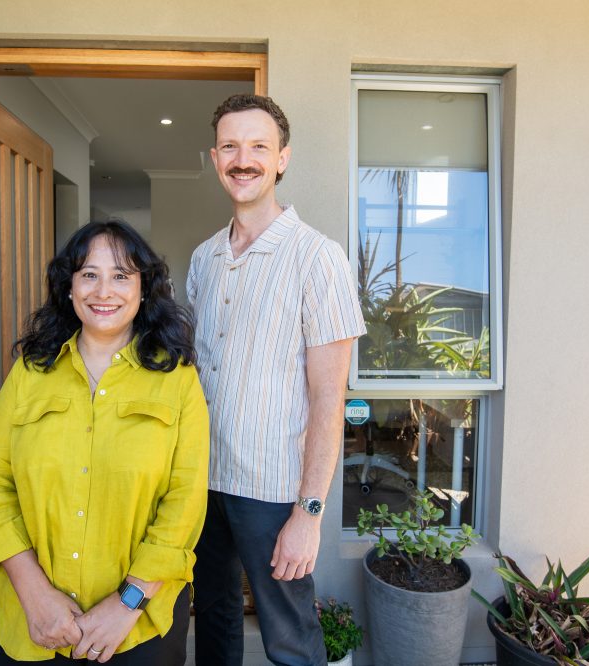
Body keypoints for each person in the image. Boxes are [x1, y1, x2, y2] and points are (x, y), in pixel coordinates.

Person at [0, 220, 209, 665]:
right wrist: (35, 595)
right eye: (89, 275)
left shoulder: (177, 381)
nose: (104, 290)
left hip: (138, 631)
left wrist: (128, 603)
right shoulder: (29, 373)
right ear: (69, 288)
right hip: (30, 625)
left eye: (121, 275)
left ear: (144, 289)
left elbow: (185, 502)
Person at [187, 94, 366, 665]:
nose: (245, 159)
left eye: (259, 146)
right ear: (215, 158)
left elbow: (327, 398)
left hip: (273, 491)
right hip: (201, 481)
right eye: (231, 146)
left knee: (290, 639)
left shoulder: (318, 257)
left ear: (282, 159)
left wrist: (308, 515)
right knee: (213, 619)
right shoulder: (204, 259)